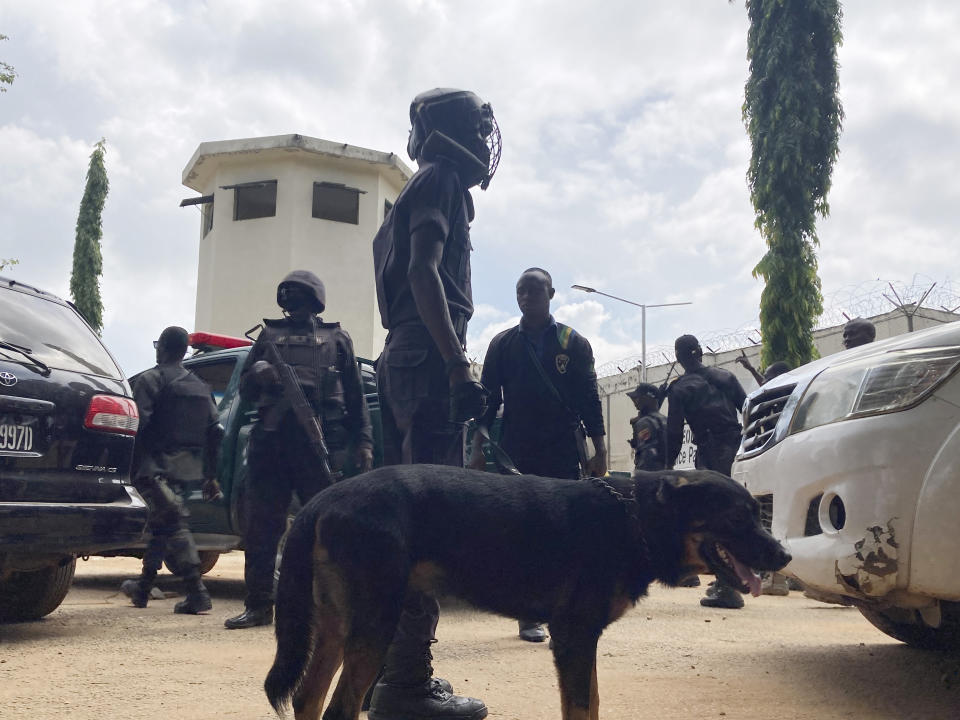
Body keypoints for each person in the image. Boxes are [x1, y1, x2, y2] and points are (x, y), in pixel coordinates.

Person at [367, 87, 499, 720]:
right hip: (426, 357)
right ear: (453, 133)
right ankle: (405, 688)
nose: (484, 139)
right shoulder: (443, 181)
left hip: (403, 357)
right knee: (427, 522)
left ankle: (387, 671)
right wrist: (455, 363)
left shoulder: (409, 194)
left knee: (403, 519)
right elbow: (424, 272)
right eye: (479, 126)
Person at [224, 270, 373, 630]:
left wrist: (364, 441)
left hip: (320, 442)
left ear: (315, 300)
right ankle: (259, 604)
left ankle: (332, 606)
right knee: (261, 527)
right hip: (271, 442)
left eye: (300, 297)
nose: (293, 305)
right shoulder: (268, 336)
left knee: (328, 526)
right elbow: (243, 393)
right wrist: (257, 372)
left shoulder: (337, 338)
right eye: (288, 297)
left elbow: (355, 396)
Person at [469, 267, 607, 642]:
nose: (526, 297)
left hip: (562, 448)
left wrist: (600, 449)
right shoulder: (502, 344)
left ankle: (561, 607)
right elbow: (487, 401)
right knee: (522, 529)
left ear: (551, 294)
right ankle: (528, 614)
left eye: (534, 290)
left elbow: (589, 399)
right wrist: (477, 448)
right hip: (517, 449)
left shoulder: (572, 342)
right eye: (520, 291)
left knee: (563, 529)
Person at [120, 326, 223, 614]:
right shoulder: (200, 386)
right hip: (187, 469)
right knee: (163, 525)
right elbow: (217, 432)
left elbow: (138, 426)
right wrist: (210, 476)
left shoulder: (150, 380)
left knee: (174, 524)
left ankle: (197, 592)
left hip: (154, 466)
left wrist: (132, 465)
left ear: (161, 348)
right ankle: (142, 589)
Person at [665, 334, 748, 609]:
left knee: (713, 518)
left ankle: (728, 587)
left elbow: (675, 434)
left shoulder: (680, 389)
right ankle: (734, 577)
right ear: (701, 352)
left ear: (678, 358)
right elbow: (748, 410)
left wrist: (666, 468)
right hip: (736, 447)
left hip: (711, 452)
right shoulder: (726, 377)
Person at [627, 382, 667, 474]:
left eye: (638, 398)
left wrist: (640, 477)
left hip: (649, 478)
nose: (635, 403)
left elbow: (647, 456)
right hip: (664, 473)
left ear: (647, 399)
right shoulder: (664, 420)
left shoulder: (645, 422)